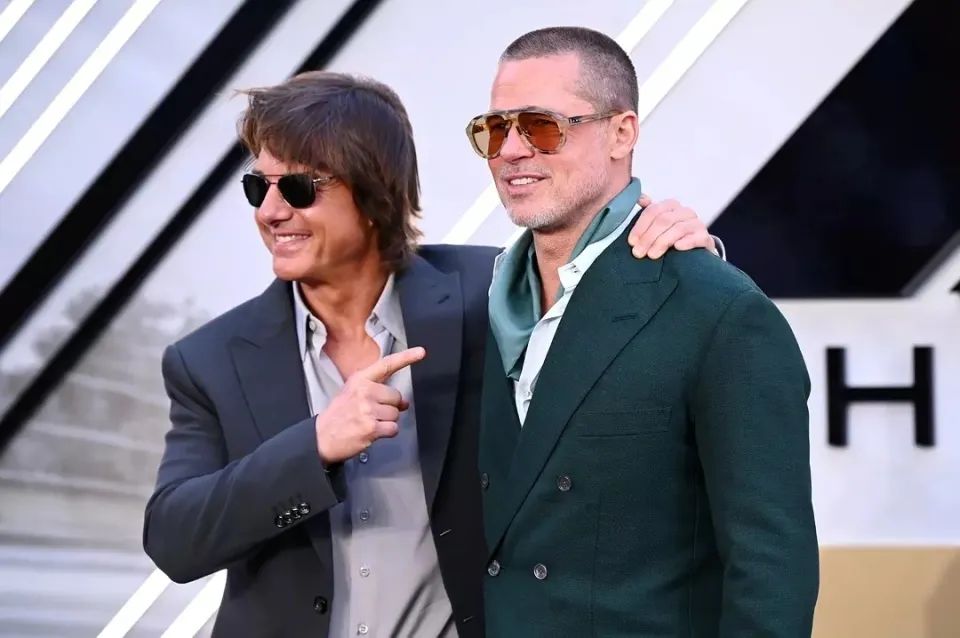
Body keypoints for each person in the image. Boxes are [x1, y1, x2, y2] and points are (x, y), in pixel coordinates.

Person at [142, 71, 717, 638]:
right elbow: (174, 540)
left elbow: (635, 317)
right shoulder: (209, 360)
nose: (270, 211)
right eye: (257, 187)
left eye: (297, 189)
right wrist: (314, 446)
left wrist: (687, 251)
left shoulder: (491, 293)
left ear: (373, 193)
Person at [472, 27, 819, 637]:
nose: (512, 150)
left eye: (542, 126)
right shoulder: (472, 300)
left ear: (622, 132)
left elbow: (771, 571)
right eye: (495, 129)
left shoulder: (719, 312)